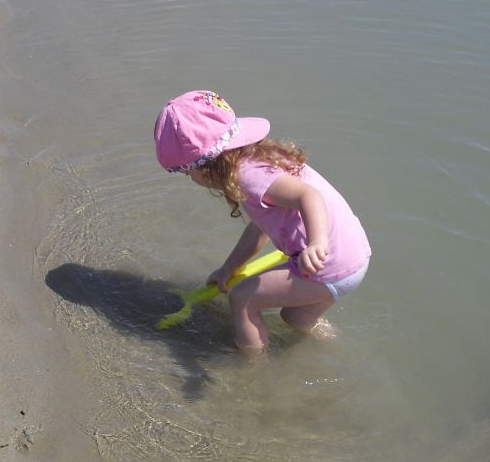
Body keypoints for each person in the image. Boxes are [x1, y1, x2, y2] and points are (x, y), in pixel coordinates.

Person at [154, 90, 371, 355]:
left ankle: (252, 369)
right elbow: (262, 228)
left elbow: (308, 195)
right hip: (353, 254)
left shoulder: (249, 176)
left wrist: (317, 242)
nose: (191, 179)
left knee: (242, 298)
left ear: (208, 165)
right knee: (295, 319)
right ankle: (336, 347)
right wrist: (228, 269)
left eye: (189, 172)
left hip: (327, 262)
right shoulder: (258, 160)